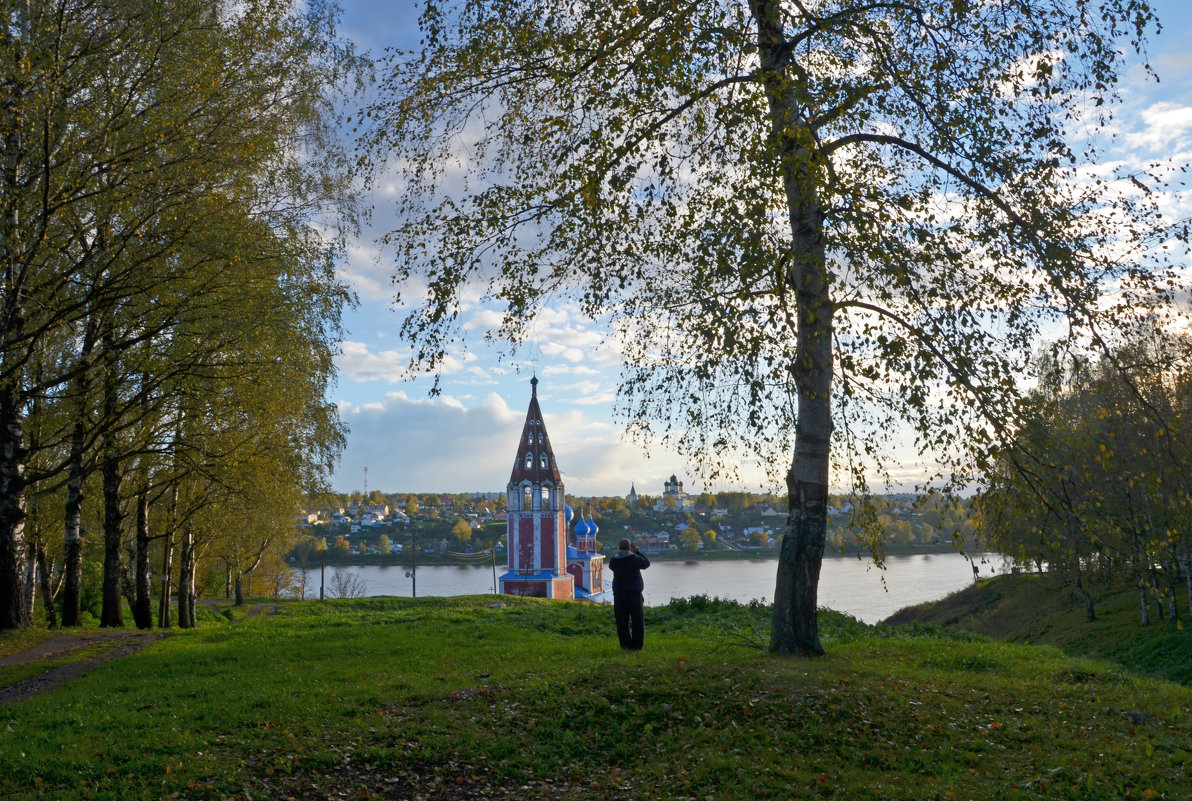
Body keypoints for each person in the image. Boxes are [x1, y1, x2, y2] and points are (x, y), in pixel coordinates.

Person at [608, 538, 650, 650]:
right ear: (629, 547)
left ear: (619, 547)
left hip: (619, 595)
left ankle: (625, 645)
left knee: (622, 621)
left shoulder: (613, 560)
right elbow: (646, 563)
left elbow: (611, 567)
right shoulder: (636, 559)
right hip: (634, 594)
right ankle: (637, 646)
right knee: (637, 621)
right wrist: (637, 552)